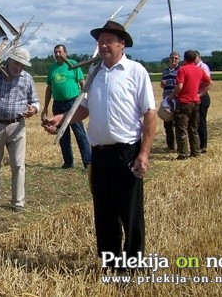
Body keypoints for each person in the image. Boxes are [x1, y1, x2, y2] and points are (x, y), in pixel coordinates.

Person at [43, 20, 156, 271]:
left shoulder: (136, 72)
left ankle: (132, 266)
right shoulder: (95, 75)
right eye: (100, 41)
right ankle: (111, 263)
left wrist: (145, 153)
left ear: (121, 44)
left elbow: (150, 114)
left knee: (130, 213)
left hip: (126, 153)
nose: (103, 45)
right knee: (104, 213)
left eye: (108, 41)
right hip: (99, 155)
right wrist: (61, 119)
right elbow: (83, 109)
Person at [0, 47, 40, 213]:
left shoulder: (27, 79)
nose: (18, 67)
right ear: (9, 60)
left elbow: (35, 101)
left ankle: (18, 202)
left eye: (22, 65)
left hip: (17, 126)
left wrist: (33, 110)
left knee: (18, 165)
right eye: (16, 63)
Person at [41, 44, 91, 169]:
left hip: (73, 103)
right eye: (55, 52)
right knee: (62, 134)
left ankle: (87, 162)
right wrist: (45, 107)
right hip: (58, 104)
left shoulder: (73, 64)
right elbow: (49, 88)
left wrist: (85, 99)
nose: (57, 55)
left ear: (65, 53)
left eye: (59, 52)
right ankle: (68, 163)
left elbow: (82, 82)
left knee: (80, 134)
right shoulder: (52, 68)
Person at [166, 50, 212, 160]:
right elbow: (210, 83)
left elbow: (180, 86)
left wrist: (170, 97)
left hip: (184, 102)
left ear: (184, 59)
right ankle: (196, 151)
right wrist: (199, 94)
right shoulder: (199, 70)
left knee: (181, 128)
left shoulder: (182, 70)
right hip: (195, 102)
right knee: (193, 128)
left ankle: (183, 154)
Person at [160, 51, 181, 151]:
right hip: (166, 100)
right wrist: (162, 83)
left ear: (179, 60)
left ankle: (180, 145)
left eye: (176, 58)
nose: (174, 60)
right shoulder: (165, 71)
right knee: (167, 124)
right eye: (172, 58)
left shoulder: (181, 70)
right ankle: (170, 145)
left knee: (178, 124)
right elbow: (162, 85)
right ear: (169, 59)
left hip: (177, 100)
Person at [195, 51, 212, 153]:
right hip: (199, 95)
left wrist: (199, 94)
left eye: (195, 57)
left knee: (201, 121)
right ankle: (199, 144)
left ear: (199, 57)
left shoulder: (203, 67)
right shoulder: (198, 67)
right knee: (197, 121)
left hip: (202, 96)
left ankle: (203, 146)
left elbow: (208, 83)